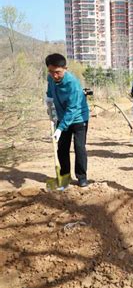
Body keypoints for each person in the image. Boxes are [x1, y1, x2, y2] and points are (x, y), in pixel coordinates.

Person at [45, 53, 90, 187]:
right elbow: (50, 92)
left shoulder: (73, 84)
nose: (55, 75)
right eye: (51, 72)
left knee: (79, 147)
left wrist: (60, 128)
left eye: (58, 72)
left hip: (78, 117)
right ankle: (65, 177)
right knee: (62, 148)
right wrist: (48, 101)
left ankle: (82, 177)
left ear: (65, 68)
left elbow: (72, 109)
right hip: (61, 116)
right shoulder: (50, 78)